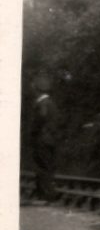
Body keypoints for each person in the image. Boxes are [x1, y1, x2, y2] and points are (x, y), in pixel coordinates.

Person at [29, 73, 59, 201]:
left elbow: (41, 116)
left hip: (42, 138)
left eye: (33, 86)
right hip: (50, 138)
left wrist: (34, 130)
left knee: (42, 166)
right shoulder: (51, 102)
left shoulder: (42, 103)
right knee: (47, 165)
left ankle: (47, 194)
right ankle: (43, 193)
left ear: (37, 89)